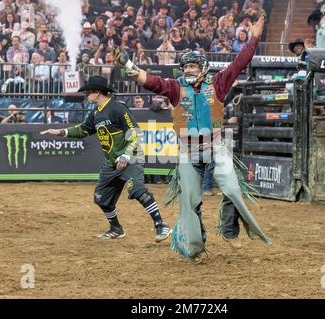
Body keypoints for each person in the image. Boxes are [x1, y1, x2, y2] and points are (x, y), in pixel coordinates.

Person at [113, 18, 271, 261]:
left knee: (231, 188)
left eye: (192, 66)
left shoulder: (218, 83)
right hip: (188, 152)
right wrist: (128, 63)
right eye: (185, 67)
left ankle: (230, 230)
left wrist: (254, 39)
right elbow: (152, 82)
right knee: (190, 201)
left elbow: (240, 62)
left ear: (203, 68)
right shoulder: (175, 88)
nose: (188, 70)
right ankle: (196, 246)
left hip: (215, 146)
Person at [40, 76, 172, 242]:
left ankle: (161, 224)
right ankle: (116, 228)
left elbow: (136, 133)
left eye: (88, 92)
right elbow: (83, 130)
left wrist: (126, 154)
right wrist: (60, 132)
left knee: (138, 191)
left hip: (131, 158)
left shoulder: (118, 108)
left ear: (97, 92)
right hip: (112, 163)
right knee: (100, 198)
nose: (86, 95)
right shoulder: (96, 113)